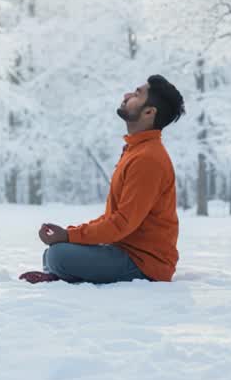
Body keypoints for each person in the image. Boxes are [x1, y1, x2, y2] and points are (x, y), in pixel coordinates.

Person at [19, 75, 184, 285]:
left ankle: (59, 273)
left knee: (58, 255)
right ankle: (58, 274)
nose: (127, 96)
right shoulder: (136, 151)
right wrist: (69, 234)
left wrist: (69, 237)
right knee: (54, 252)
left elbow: (121, 223)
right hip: (121, 249)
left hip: (145, 263)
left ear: (149, 112)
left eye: (137, 94)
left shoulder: (148, 159)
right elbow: (113, 218)